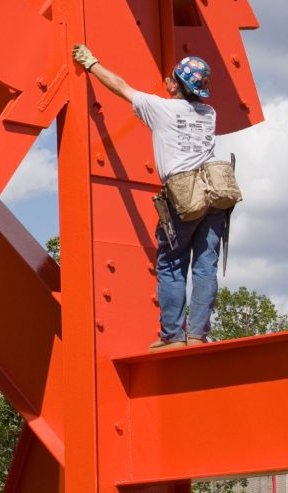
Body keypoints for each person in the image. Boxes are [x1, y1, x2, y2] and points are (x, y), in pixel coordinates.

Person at [72, 44, 225, 349]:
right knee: (205, 266)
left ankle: (172, 337)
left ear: (177, 84)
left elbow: (121, 86)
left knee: (171, 263)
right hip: (214, 196)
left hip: (181, 197)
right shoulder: (210, 113)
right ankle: (197, 336)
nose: (166, 81)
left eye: (171, 78)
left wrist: (91, 62)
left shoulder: (161, 108)